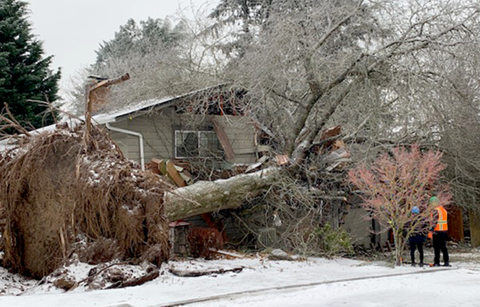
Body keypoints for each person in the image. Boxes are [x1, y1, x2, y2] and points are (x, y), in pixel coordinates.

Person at [429, 196, 450, 267]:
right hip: (444, 231)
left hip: (437, 231)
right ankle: (446, 262)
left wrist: (431, 231)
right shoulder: (443, 210)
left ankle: (437, 262)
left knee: (437, 248)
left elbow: (435, 221)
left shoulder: (435, 210)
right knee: (444, 247)